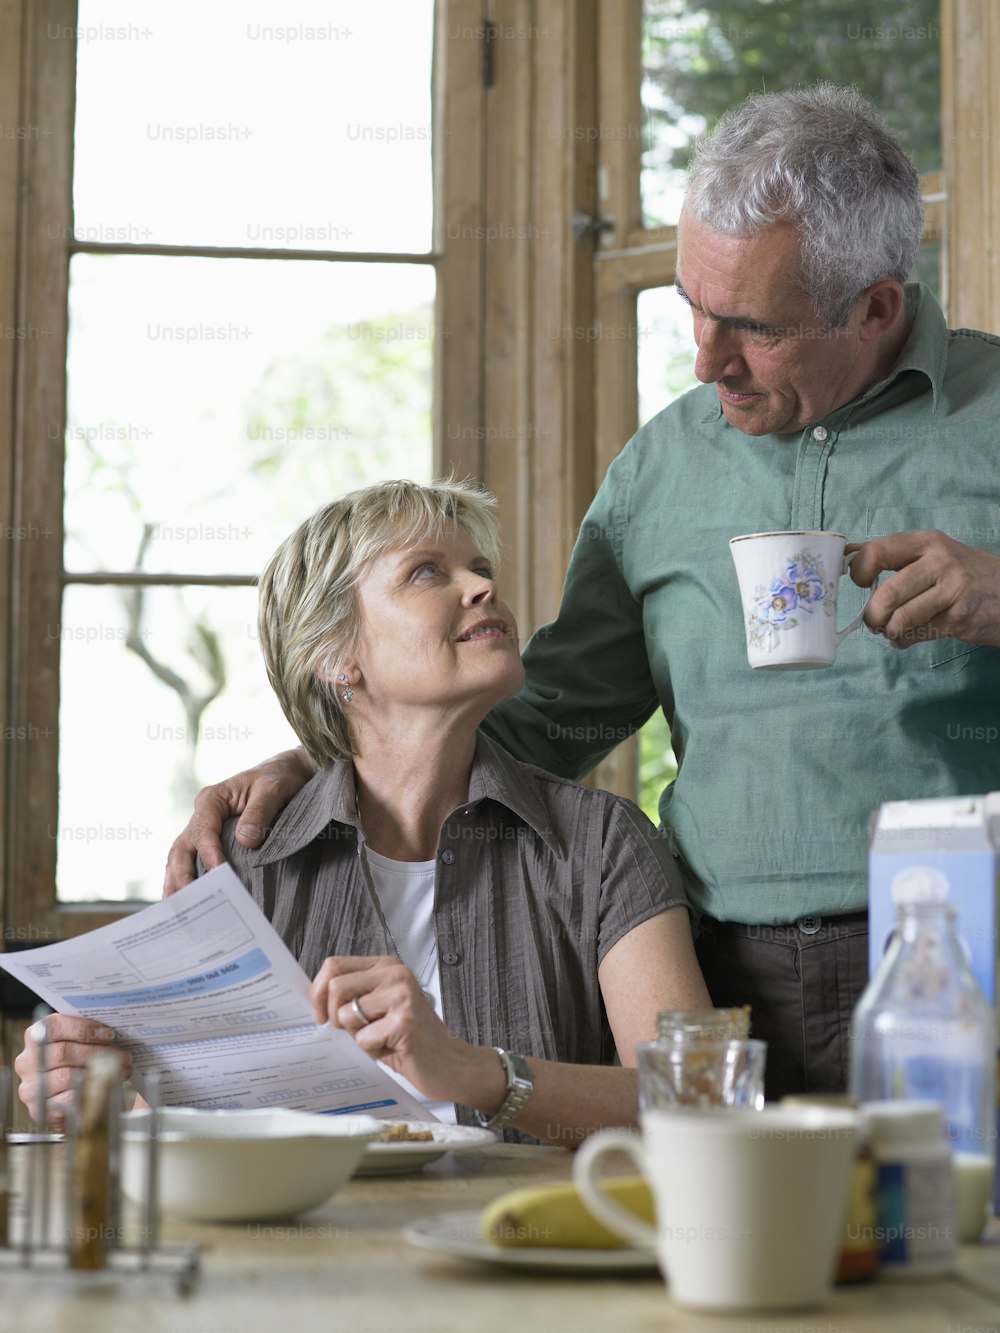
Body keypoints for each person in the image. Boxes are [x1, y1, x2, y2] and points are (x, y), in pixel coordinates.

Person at [164, 84, 1000, 1100]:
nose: (705, 360)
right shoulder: (663, 467)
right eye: (694, 308)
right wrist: (319, 755)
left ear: (875, 304)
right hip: (713, 971)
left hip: (969, 959)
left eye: (751, 328)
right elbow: (546, 711)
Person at [16, 479, 709, 1139]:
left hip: (521, 1245)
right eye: (428, 573)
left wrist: (480, 1073)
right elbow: (178, 1108)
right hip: (302, 1249)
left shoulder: (602, 840)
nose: (483, 585)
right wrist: (93, 1087)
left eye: (479, 564)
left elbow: (698, 1094)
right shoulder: (241, 857)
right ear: (338, 656)